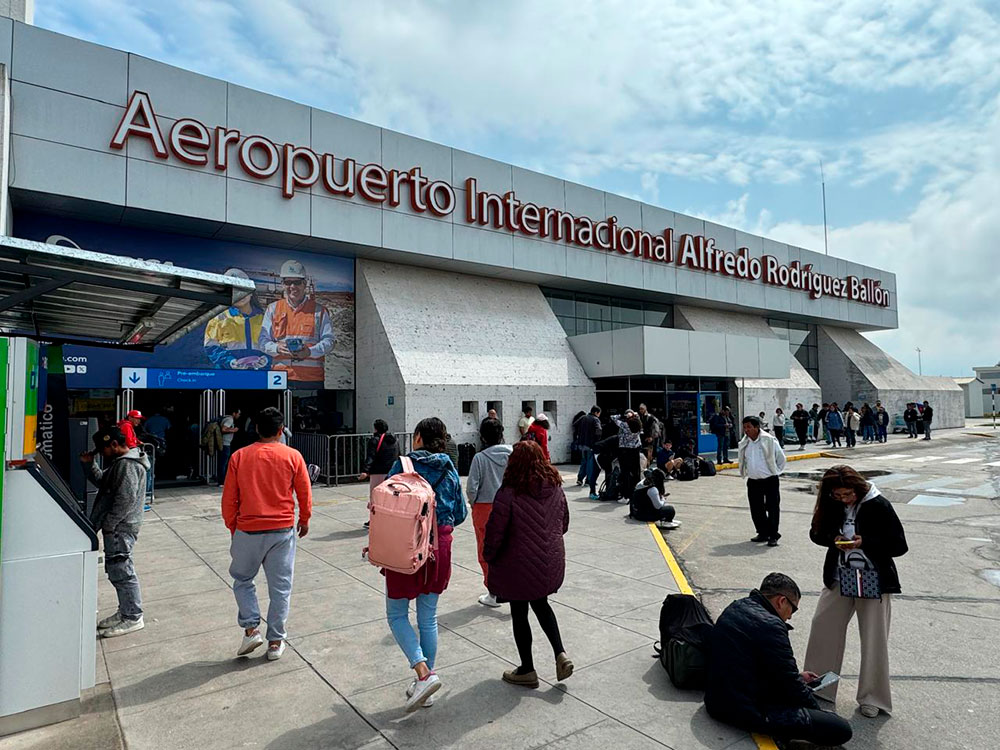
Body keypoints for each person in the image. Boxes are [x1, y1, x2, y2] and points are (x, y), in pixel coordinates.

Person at [804, 465, 908, 718]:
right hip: (840, 576)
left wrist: (866, 542)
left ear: (858, 488)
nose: (844, 499)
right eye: (838, 496)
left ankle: (873, 698)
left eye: (848, 495)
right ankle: (819, 687)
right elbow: (815, 533)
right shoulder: (832, 503)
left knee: (874, 639)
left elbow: (898, 545)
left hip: (873, 577)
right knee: (823, 627)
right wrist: (834, 539)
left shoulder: (878, 504)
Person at [705, 573, 853, 747]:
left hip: (716, 699)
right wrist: (818, 714)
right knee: (840, 728)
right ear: (781, 601)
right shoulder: (772, 626)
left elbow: (750, 661)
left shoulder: (737, 606)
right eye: (793, 609)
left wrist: (798, 677)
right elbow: (790, 685)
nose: (790, 617)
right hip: (743, 709)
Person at [383, 418, 467, 711]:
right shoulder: (449, 469)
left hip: (405, 547)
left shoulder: (402, 466)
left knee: (396, 614)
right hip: (440, 548)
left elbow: (383, 504)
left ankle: (423, 673)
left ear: (417, 437)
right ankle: (425, 689)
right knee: (428, 618)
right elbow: (459, 513)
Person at [222, 407, 311, 661]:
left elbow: (229, 499)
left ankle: (251, 628)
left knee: (242, 579)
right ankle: (275, 642)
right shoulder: (292, 456)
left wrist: (233, 527)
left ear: (257, 429)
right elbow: (304, 492)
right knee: (280, 588)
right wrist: (304, 520)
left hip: (247, 529)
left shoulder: (239, 457)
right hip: (282, 531)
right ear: (281, 430)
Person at [483, 441, 572, 689]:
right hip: (549, 561)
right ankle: (560, 653)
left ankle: (527, 669)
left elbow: (495, 534)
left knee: (519, 613)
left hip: (518, 565)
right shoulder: (555, 487)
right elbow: (563, 523)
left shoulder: (508, 492)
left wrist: (489, 556)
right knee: (542, 604)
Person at [82, 427, 151, 638]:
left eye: (102, 449)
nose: (101, 453)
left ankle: (132, 616)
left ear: (113, 444)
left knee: (122, 571)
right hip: (119, 527)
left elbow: (126, 499)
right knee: (117, 570)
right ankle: (126, 610)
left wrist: (110, 524)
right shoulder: (122, 463)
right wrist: (88, 465)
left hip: (121, 528)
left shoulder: (127, 465)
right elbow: (104, 482)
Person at [258, 259, 335, 388]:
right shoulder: (273, 309)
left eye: (297, 282)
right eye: (288, 282)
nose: (292, 287)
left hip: (311, 378)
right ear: (283, 284)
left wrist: (310, 352)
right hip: (279, 376)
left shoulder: (320, 311)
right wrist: (276, 348)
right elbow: (262, 341)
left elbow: (329, 341)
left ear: (304, 284)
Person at [467, 417, 512, 608]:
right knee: (510, 548)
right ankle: (514, 587)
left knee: (486, 550)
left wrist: (473, 502)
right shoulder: (513, 453)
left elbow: (472, 488)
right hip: (510, 505)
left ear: (482, 436)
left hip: (485, 507)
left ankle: (493, 591)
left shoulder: (480, 457)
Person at [203, 267, 269, 370]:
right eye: (233, 291)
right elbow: (211, 347)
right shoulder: (218, 318)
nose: (239, 295)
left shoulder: (264, 319)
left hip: (257, 376)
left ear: (251, 292)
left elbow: (272, 345)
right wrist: (230, 362)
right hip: (227, 377)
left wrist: (266, 359)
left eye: (242, 289)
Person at [738, 416, 786, 547]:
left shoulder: (769, 440)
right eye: (744, 427)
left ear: (756, 427)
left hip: (770, 480)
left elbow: (781, 459)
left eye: (749, 427)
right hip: (753, 480)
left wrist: (775, 472)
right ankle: (762, 532)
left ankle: (773, 535)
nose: (746, 430)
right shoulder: (745, 442)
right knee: (756, 508)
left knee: (772, 507)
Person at [358, 419, 400, 529]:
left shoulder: (375, 440)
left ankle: (374, 520)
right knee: (389, 496)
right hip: (391, 473)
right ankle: (389, 519)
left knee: (375, 497)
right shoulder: (394, 440)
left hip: (377, 472)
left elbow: (371, 456)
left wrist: (365, 471)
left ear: (375, 428)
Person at [611, 411, 643, 498]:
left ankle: (625, 493)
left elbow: (613, 418)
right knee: (636, 471)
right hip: (635, 450)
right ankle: (636, 491)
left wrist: (621, 415)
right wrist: (635, 414)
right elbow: (638, 418)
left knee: (625, 472)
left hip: (624, 450)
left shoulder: (625, 425)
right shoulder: (638, 425)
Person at [575, 406, 602, 498]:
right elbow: (598, 432)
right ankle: (589, 480)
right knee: (591, 463)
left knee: (584, 461)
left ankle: (580, 478)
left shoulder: (583, 417)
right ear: (596, 412)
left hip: (581, 443)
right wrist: (597, 441)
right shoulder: (596, 420)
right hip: (590, 445)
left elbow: (575, 424)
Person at [218, 407, 241, 486]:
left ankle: (221, 480)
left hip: (224, 443)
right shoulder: (230, 419)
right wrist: (233, 430)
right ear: (234, 413)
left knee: (222, 462)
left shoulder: (225, 418)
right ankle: (222, 481)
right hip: (225, 443)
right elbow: (223, 429)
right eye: (238, 413)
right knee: (223, 463)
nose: (239, 415)